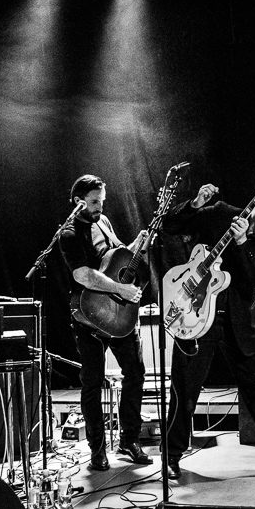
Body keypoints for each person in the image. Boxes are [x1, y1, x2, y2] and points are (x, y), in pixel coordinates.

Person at [161, 181, 255, 481]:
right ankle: (171, 456)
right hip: (195, 314)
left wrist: (241, 244)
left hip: (239, 322)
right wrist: (194, 205)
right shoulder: (221, 214)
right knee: (184, 388)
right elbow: (170, 226)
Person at [58, 174, 152, 471]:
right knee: (92, 383)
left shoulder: (104, 221)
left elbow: (117, 257)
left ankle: (129, 440)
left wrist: (138, 244)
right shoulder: (69, 234)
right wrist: (121, 289)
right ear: (78, 202)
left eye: (102, 201)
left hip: (118, 315)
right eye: (94, 202)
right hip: (89, 316)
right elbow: (83, 275)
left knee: (135, 373)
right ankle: (97, 448)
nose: (100, 207)